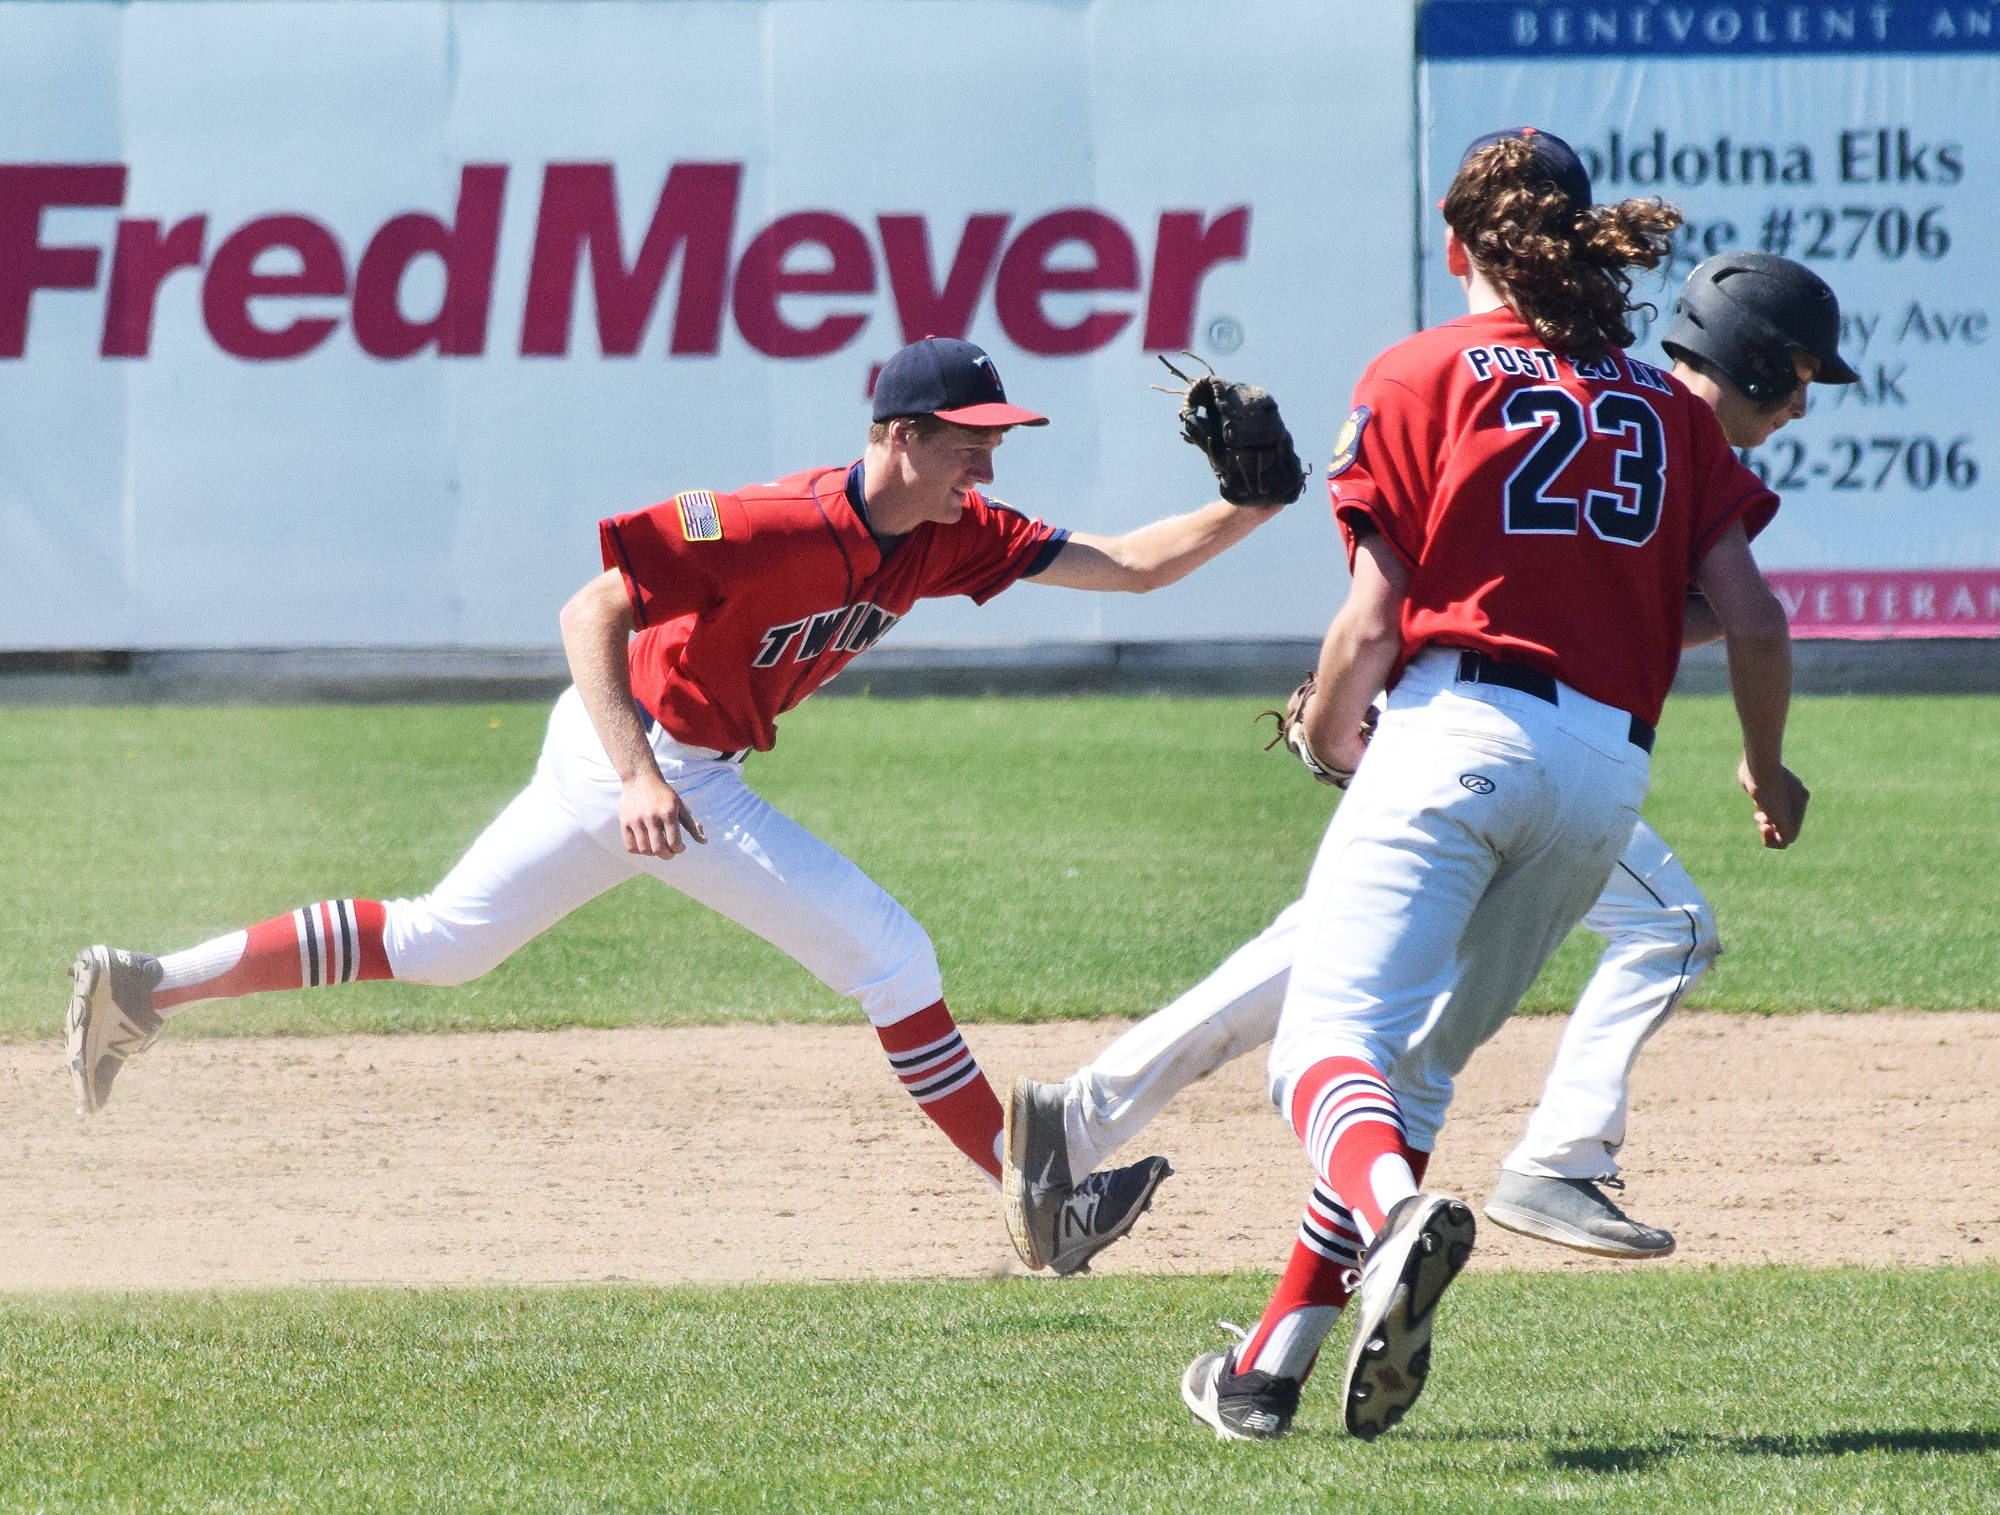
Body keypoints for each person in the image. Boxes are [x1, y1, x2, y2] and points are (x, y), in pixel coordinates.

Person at [64, 336, 1302, 1277]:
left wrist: (1249, 503)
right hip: (651, 760)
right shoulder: (769, 524)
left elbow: (1134, 568)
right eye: (968, 440)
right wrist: (641, 774)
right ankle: (1041, 1206)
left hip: (650, 763)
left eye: (995, 442)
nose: (989, 462)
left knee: (444, 944)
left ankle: (147, 984)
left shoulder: (948, 532)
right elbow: (587, 611)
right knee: (891, 953)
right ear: (897, 435)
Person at [1002, 251, 1855, 1276]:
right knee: (1666, 927)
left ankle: (1080, 1118)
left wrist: (1356, 693)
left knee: (1326, 944)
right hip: (1514, 741)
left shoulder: (1588, 402)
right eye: (1801, 371)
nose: (1805, 401)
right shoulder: (1649, 424)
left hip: (1449, 724)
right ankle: (1553, 1159)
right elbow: (1670, 610)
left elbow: (1513, 578)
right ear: (1753, 358)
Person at [1155, 128, 1807, 1442]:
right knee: (1415, 1077)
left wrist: (1339, 728)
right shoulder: (1664, 402)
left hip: (1457, 727)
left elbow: (1372, 617)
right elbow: (1750, 613)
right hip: (1604, 776)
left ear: (1456, 244)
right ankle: (1268, 1371)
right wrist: (1765, 756)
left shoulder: (1420, 370)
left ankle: (1395, 1217)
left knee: (1319, 1057)